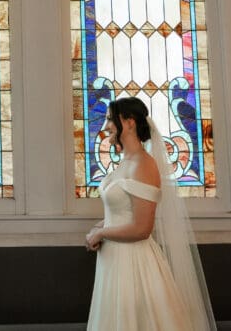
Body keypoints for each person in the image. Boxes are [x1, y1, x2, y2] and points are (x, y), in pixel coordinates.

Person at [85, 97, 215, 330]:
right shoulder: (126, 163)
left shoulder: (144, 164)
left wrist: (101, 233)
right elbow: (122, 212)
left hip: (133, 263)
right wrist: (100, 227)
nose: (106, 126)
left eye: (109, 119)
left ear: (129, 122)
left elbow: (143, 228)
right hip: (113, 260)